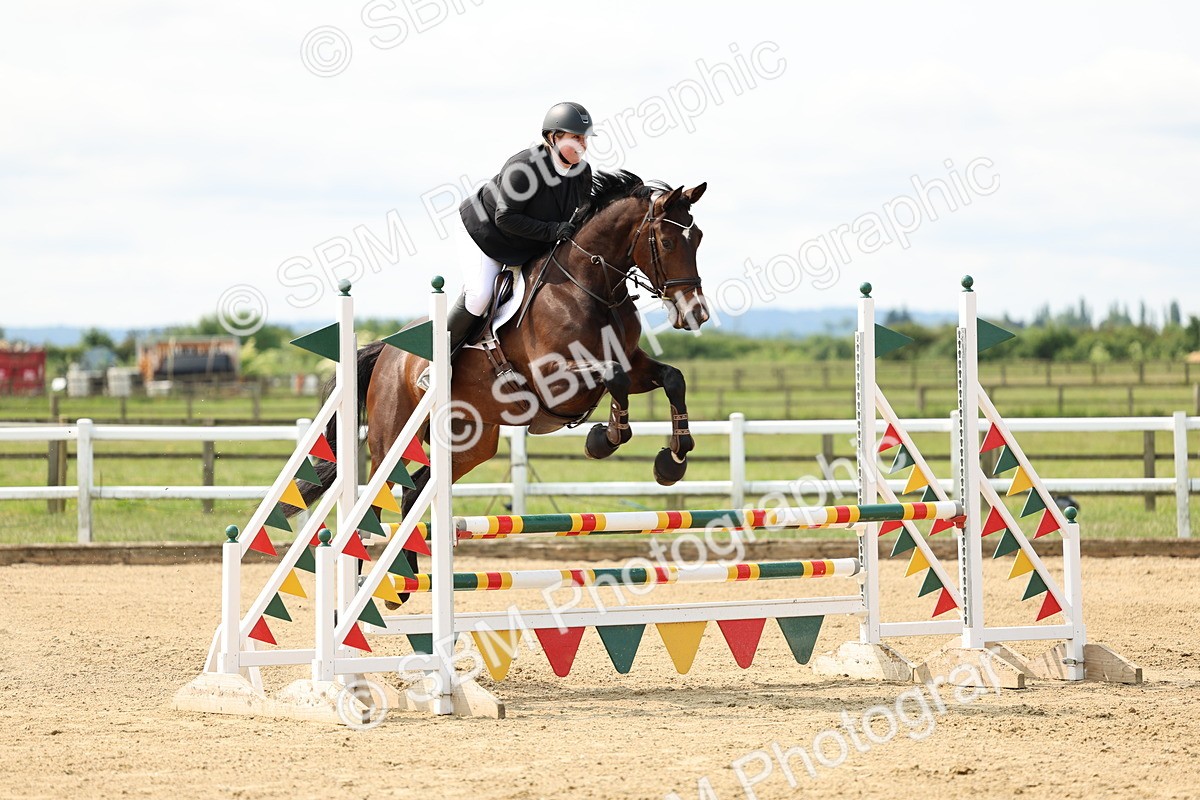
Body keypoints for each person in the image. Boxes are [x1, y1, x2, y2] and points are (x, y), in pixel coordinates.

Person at [419, 102, 594, 389]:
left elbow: (582, 214)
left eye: (584, 138)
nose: (583, 145)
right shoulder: (524, 167)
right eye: (576, 137)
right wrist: (553, 230)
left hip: (529, 241)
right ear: (553, 137)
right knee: (479, 295)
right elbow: (506, 217)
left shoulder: (581, 173)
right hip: (485, 232)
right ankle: (435, 363)